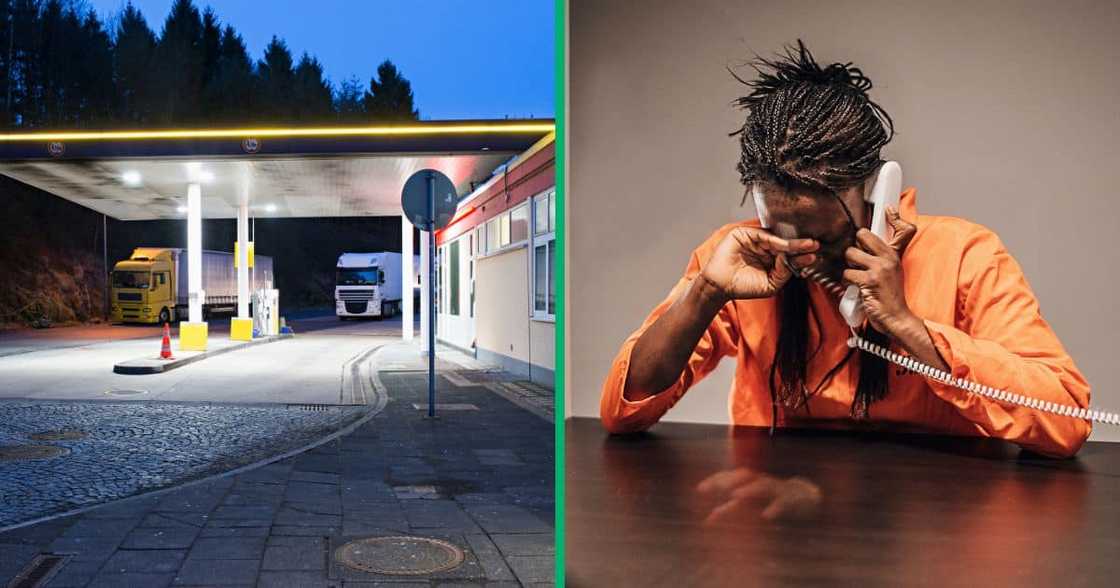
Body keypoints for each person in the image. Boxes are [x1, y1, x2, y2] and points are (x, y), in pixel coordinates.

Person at [599, 40, 1091, 458]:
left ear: (878, 192)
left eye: (827, 238)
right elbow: (623, 412)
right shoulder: (741, 255)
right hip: (780, 512)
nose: (805, 256)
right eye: (789, 235)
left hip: (936, 520)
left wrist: (905, 324)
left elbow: (1066, 423)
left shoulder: (966, 254)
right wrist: (706, 291)